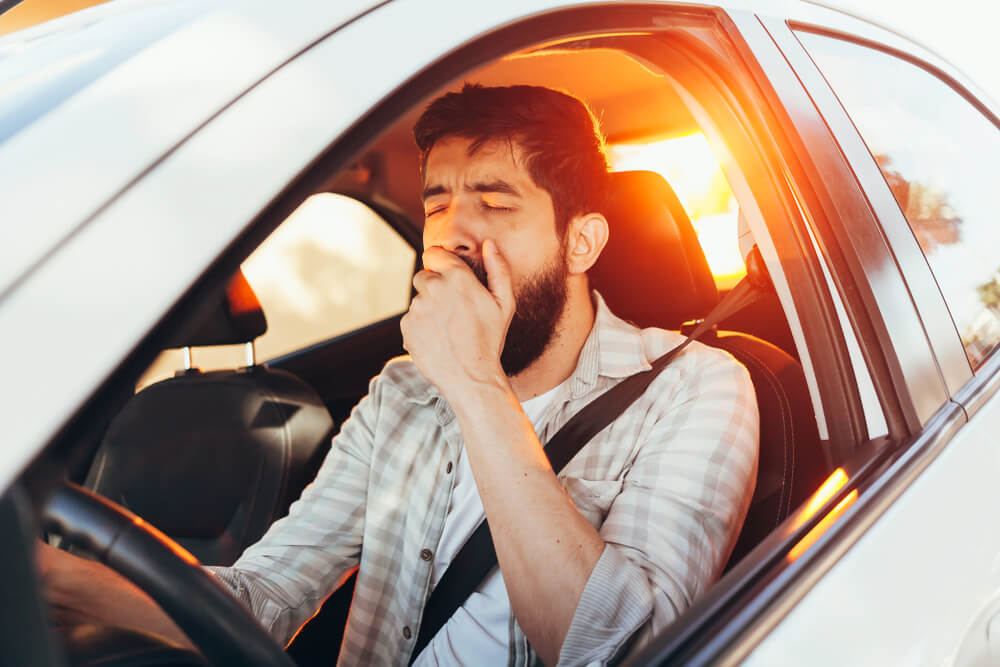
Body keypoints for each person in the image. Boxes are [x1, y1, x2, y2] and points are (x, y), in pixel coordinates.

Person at [39, 84, 759, 666]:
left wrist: (475, 383)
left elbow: (620, 651)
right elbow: (262, 598)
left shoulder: (696, 388)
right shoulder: (403, 391)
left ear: (580, 241)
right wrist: (45, 575)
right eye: (438, 204)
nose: (453, 233)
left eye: (495, 202)